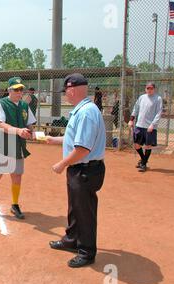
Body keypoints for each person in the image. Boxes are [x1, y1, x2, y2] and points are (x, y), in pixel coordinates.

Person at [46, 73, 106, 268]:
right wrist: (54, 140)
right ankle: (71, 240)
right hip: (80, 169)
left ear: (72, 89)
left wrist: (62, 164)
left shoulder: (87, 112)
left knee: (85, 211)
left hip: (85, 169)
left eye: (66, 91)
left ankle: (87, 252)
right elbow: (76, 140)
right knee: (75, 207)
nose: (66, 95)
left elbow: (82, 149)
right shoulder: (82, 110)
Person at [0, 77, 36, 220]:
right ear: (9, 90)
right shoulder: (0, 104)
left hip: (18, 146)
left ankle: (15, 204)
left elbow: (30, 123)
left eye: (21, 89)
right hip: (3, 145)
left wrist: (33, 132)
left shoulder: (24, 106)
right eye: (16, 89)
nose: (19, 92)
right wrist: (18, 131)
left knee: (17, 176)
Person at [128, 81, 163, 172]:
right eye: (148, 88)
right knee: (136, 145)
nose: (149, 90)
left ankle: (143, 164)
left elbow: (159, 113)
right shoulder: (141, 97)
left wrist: (152, 125)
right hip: (139, 125)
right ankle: (144, 160)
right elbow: (135, 109)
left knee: (148, 146)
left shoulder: (158, 98)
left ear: (154, 89)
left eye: (151, 88)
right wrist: (131, 120)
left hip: (150, 127)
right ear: (145, 89)